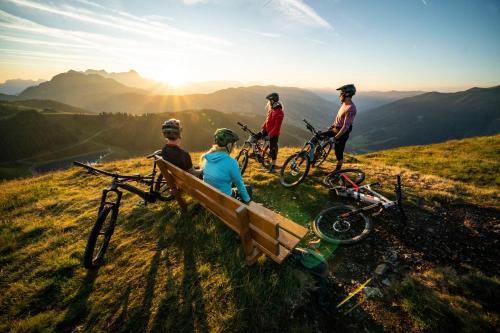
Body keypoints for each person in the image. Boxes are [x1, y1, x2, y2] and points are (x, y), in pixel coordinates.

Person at [201, 128, 252, 203]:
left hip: (209, 197)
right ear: (229, 145)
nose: (234, 146)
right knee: (248, 189)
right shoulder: (232, 162)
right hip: (224, 201)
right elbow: (240, 185)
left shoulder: (207, 157)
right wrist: (248, 200)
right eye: (234, 144)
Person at [321, 84, 357, 171]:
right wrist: (332, 126)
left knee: (338, 152)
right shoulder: (344, 104)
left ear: (347, 94)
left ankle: (337, 171)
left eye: (341, 93)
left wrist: (335, 138)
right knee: (318, 137)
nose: (340, 95)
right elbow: (339, 118)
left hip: (342, 133)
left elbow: (345, 127)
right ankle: (314, 159)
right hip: (335, 128)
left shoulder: (351, 108)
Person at [257, 92, 284, 173]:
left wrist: (270, 135)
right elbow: (267, 121)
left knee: (273, 150)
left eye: (269, 101)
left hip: (274, 134)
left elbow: (277, 127)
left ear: (272, 101)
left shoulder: (279, 112)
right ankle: (259, 155)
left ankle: (272, 167)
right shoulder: (271, 110)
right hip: (267, 131)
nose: (268, 103)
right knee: (254, 137)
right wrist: (263, 129)